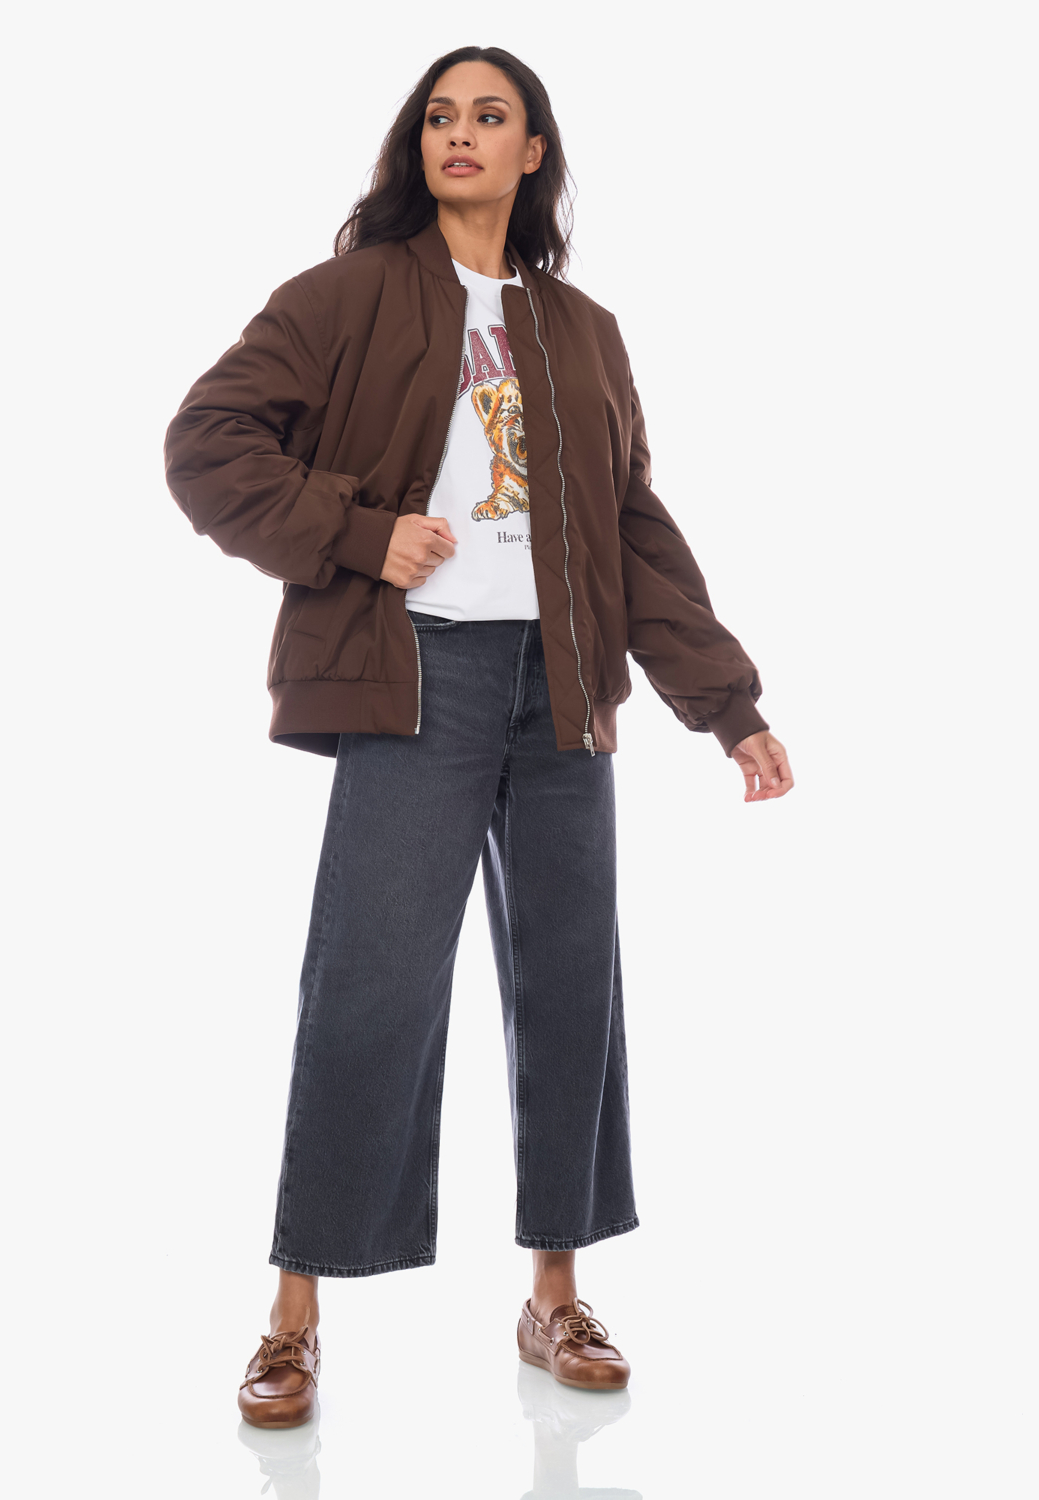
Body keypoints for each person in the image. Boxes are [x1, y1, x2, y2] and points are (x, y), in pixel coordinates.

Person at [164, 44, 794, 1431]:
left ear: (532, 153)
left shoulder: (584, 330)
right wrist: (358, 534)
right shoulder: (347, 295)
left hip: (563, 688)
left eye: (489, 116)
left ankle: (554, 1294)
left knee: (570, 989)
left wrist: (727, 704)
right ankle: (293, 1315)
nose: (460, 134)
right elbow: (207, 440)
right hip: (417, 674)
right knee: (370, 985)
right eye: (440, 116)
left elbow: (632, 530)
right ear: (420, 147)